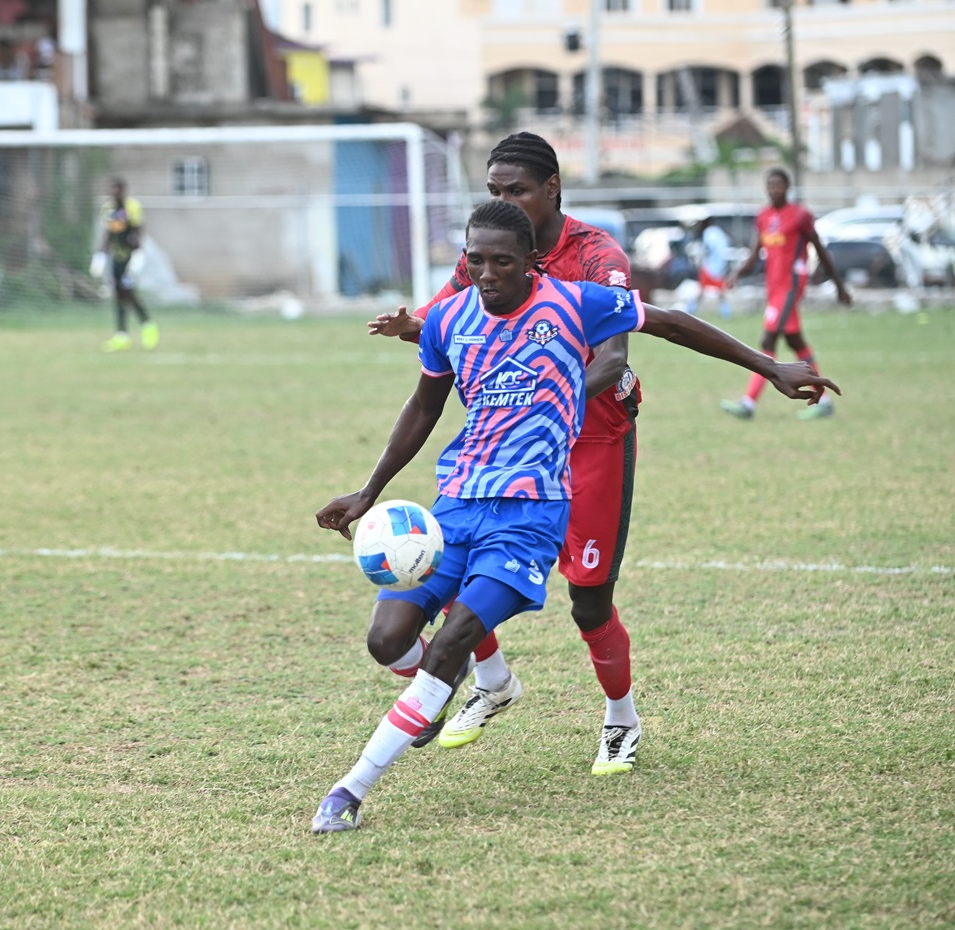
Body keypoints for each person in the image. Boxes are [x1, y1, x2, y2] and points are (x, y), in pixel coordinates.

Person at [311, 199, 840, 833]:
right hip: (455, 506)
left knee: (450, 645)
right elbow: (423, 408)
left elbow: (670, 323)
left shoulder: (575, 301)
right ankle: (469, 686)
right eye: (475, 260)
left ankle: (349, 790)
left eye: (501, 261)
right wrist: (369, 491)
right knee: (387, 641)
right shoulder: (448, 317)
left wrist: (770, 367)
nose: (485, 273)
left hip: (530, 516)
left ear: (532, 261)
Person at [368, 132, 643, 775]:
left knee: (590, 600)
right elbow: (450, 322)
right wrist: (415, 327)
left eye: (515, 189)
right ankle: (491, 681)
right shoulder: (488, 251)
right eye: (493, 190)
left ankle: (621, 718)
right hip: (502, 457)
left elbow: (615, 354)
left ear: (552, 189)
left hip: (592, 437)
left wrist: (549, 396)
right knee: (464, 577)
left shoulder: (595, 252)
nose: (504, 200)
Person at [720, 167, 850, 421]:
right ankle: (824, 400)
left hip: (791, 287)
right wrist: (737, 274)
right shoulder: (764, 216)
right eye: (770, 185)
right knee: (795, 343)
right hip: (774, 288)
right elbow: (755, 253)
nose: (773, 190)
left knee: (768, 341)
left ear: (788, 188)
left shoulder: (800, 216)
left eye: (778, 185)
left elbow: (820, 250)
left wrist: (840, 285)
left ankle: (749, 403)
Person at [92, 178, 159, 353]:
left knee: (128, 292)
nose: (114, 193)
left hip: (130, 257)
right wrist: (100, 255)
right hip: (118, 258)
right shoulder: (109, 209)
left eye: (117, 190)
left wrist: (138, 254)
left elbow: (138, 232)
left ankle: (148, 325)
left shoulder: (132, 207)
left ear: (123, 191)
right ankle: (122, 334)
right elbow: (110, 234)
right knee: (118, 294)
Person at [686, 216, 733, 319]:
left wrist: (700, 259)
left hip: (709, 266)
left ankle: (690, 310)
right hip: (720, 266)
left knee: (701, 290)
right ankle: (726, 313)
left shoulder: (708, 233)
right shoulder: (719, 232)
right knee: (720, 291)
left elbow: (708, 248)